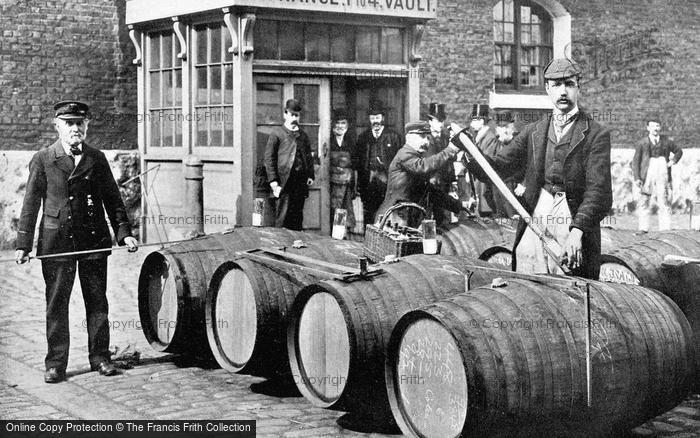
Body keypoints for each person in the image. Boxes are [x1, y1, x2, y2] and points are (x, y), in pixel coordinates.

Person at [15, 100, 138, 383]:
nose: (74, 129)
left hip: (92, 240)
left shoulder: (97, 158)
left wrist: (124, 232)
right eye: (68, 123)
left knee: (97, 302)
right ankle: (56, 363)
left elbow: (113, 199)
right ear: (57, 126)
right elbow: (31, 203)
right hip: (56, 242)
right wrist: (24, 243)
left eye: (79, 123)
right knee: (57, 304)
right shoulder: (44, 158)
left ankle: (101, 357)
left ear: (87, 125)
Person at [463, 58, 612, 279]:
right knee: (528, 275)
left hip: (574, 220)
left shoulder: (595, 134)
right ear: (547, 89)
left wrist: (577, 232)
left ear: (578, 87)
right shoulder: (534, 131)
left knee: (570, 282)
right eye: (556, 85)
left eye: (569, 84)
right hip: (537, 214)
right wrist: (469, 154)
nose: (563, 91)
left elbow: (598, 192)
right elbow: (501, 167)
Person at [376, 121, 471, 226]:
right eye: (422, 137)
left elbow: (432, 192)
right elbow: (423, 166)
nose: (427, 142)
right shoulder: (405, 154)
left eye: (428, 137)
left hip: (405, 217)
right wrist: (450, 150)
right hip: (395, 220)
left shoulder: (415, 158)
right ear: (409, 137)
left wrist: (459, 205)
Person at [264, 98, 315, 231]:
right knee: (282, 218)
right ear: (285, 114)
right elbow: (269, 159)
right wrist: (273, 181)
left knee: (297, 218)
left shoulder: (303, 135)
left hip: (299, 183)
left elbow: (308, 157)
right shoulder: (277, 134)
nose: (294, 118)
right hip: (283, 183)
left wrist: (310, 175)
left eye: (296, 115)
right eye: (291, 115)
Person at [631, 116, 683, 232]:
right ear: (648, 128)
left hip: (662, 170)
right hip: (647, 171)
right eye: (653, 126)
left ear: (660, 128)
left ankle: (665, 228)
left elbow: (679, 151)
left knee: (663, 198)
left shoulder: (666, 142)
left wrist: (672, 162)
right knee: (644, 199)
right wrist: (637, 177)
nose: (655, 128)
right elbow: (635, 162)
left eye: (658, 126)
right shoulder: (642, 143)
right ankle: (643, 228)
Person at [356, 102, 403, 226]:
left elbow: (400, 161)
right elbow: (359, 163)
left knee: (386, 211)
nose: (375, 121)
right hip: (369, 180)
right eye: (372, 118)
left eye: (377, 118)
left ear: (383, 118)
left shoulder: (393, 136)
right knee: (369, 212)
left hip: (387, 180)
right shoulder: (363, 137)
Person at [425, 103, 456, 225]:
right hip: (430, 182)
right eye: (438, 121)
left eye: (442, 121)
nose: (441, 124)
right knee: (427, 213)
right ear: (431, 121)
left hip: (444, 181)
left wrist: (452, 179)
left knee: (442, 214)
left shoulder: (446, 136)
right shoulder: (425, 137)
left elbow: (450, 159)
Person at [469, 104, 501, 217]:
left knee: (486, 215)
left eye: (474, 120)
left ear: (482, 121)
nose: (471, 124)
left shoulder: (490, 138)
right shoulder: (479, 137)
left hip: (485, 187)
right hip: (479, 185)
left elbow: (486, 164)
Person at [329, 108, 357, 233]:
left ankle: (339, 233)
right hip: (331, 182)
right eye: (337, 123)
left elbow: (355, 163)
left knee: (343, 208)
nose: (340, 126)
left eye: (343, 123)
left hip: (346, 182)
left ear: (347, 125)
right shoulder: (328, 140)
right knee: (333, 207)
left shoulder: (351, 142)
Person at [493, 110, 523, 218]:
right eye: (501, 127)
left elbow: (531, 166)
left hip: (515, 192)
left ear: (512, 128)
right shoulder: (495, 144)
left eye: (507, 127)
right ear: (497, 129)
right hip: (498, 193)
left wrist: (524, 183)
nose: (504, 131)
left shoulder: (520, 144)